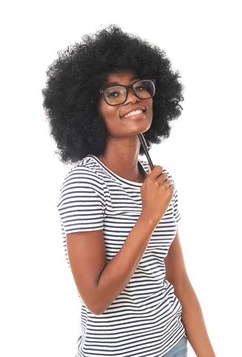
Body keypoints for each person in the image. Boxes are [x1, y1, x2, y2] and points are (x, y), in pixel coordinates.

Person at [42, 25, 215, 357]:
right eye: (114, 93)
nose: (132, 98)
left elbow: (178, 281)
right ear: (89, 109)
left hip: (173, 344)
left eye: (138, 87)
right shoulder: (85, 184)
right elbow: (96, 298)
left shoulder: (158, 182)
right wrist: (148, 215)